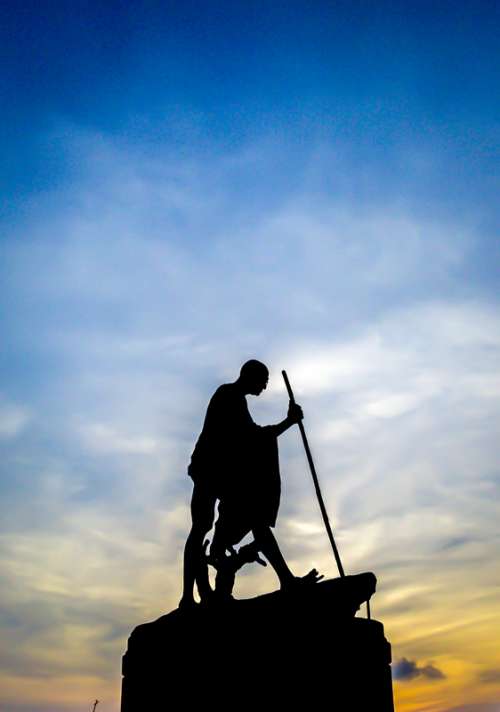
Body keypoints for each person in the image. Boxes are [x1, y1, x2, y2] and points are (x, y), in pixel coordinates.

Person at [179, 359, 321, 609]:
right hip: (209, 469)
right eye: (263, 381)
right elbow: (252, 436)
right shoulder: (229, 395)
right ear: (251, 376)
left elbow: (250, 437)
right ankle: (190, 597)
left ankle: (285, 579)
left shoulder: (236, 398)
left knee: (253, 517)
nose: (265, 387)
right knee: (201, 527)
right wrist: (288, 422)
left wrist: (287, 423)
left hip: (223, 473)